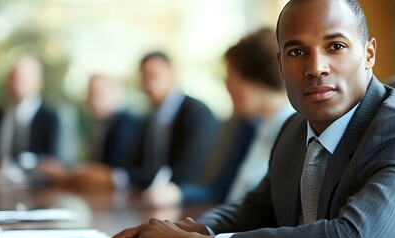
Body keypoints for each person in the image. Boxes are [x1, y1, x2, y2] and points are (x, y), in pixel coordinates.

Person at [112, 0, 395, 238]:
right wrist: (190, 229)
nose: (315, 67)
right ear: (280, 65)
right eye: (296, 52)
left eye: (335, 46)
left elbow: (351, 235)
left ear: (369, 54)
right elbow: (257, 207)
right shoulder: (294, 128)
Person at [181, 27, 294, 204]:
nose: (227, 86)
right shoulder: (259, 126)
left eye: (231, 78)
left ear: (257, 84)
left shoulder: (294, 131)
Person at [130, 52, 220, 207]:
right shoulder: (151, 116)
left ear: (171, 75)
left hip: (189, 204)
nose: (147, 85)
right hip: (152, 201)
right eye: (144, 78)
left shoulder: (198, 113)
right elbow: (139, 164)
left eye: (153, 76)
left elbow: (192, 170)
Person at [0, 55, 61, 170]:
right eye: (11, 76)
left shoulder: (51, 119)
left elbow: (56, 163)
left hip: (36, 185)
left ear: (38, 82)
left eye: (22, 78)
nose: (15, 83)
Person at [65, 74, 143, 191]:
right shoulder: (99, 124)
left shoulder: (129, 125)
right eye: (89, 94)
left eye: (97, 94)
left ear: (116, 93)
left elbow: (113, 172)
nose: (90, 100)